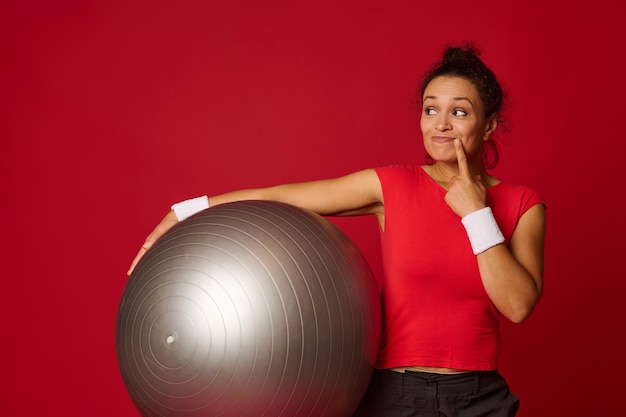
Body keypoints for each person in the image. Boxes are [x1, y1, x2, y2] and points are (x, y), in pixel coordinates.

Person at [127, 43, 546, 417]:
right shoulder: (393, 186)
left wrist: (476, 213)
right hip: (393, 394)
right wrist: (184, 211)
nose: (441, 124)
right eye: (430, 109)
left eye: (459, 111)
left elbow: (518, 305)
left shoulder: (522, 204)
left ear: (489, 125)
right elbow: (281, 197)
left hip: (480, 398)